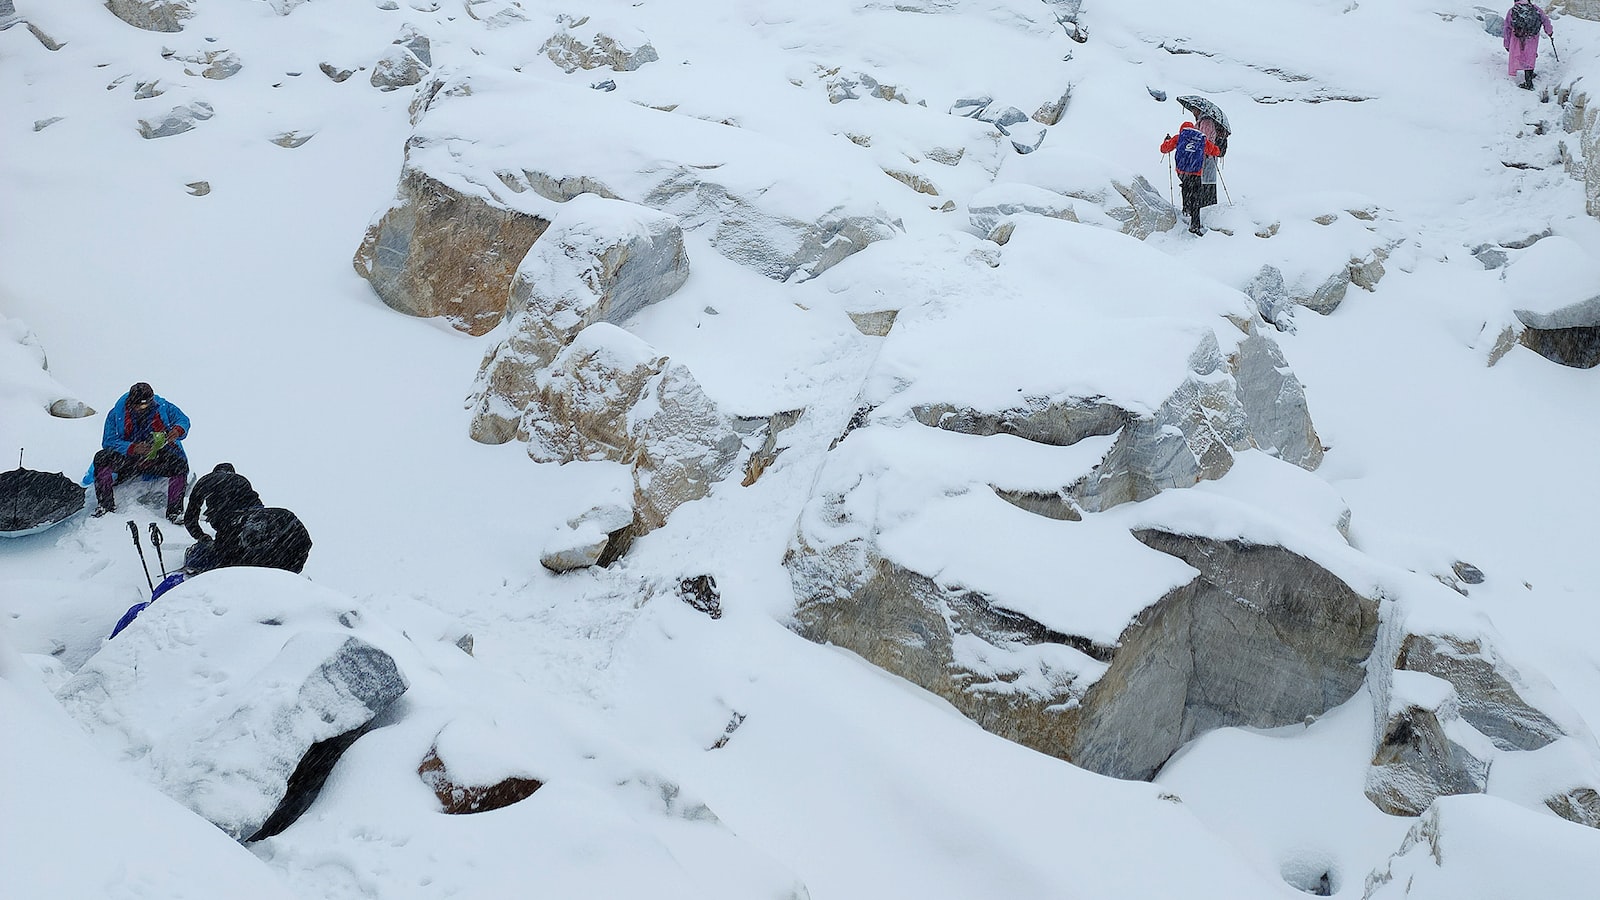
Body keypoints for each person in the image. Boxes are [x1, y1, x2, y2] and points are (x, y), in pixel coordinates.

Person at [93, 382, 190, 521]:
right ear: (130, 403)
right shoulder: (116, 414)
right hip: (128, 460)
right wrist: (132, 448)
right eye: (139, 405)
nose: (142, 408)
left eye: (146, 404)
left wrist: (177, 430)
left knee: (180, 465)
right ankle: (105, 505)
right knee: (101, 458)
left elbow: (183, 419)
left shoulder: (162, 407)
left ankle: (175, 512)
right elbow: (108, 441)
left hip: (157, 457)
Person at [181, 462, 263, 572]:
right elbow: (257, 506)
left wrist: (200, 536)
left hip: (225, 522)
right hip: (246, 521)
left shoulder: (206, 480)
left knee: (221, 556)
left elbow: (190, 517)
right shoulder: (241, 480)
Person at [1160, 121, 1223, 235]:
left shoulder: (1178, 138)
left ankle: (1186, 209)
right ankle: (1194, 224)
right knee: (1196, 197)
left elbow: (1164, 149)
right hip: (1196, 172)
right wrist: (1218, 148)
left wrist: (1166, 141)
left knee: (1186, 187)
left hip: (1182, 172)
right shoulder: (1201, 138)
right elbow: (1214, 151)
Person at [1504, 0, 1553, 91]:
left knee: (1520, 55)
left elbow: (1507, 28)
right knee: (1530, 56)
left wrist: (1507, 44)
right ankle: (1529, 76)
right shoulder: (1535, 9)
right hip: (1532, 37)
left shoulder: (1512, 11)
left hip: (1517, 38)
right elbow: (1545, 20)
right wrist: (1549, 32)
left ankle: (1529, 84)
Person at [1195, 115, 1229, 211]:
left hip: (1207, 158)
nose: (1193, 111)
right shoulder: (1205, 121)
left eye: (1194, 109)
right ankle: (1209, 208)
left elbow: (1204, 140)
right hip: (1210, 156)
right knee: (1209, 183)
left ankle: (1205, 209)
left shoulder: (1206, 122)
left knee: (1206, 183)